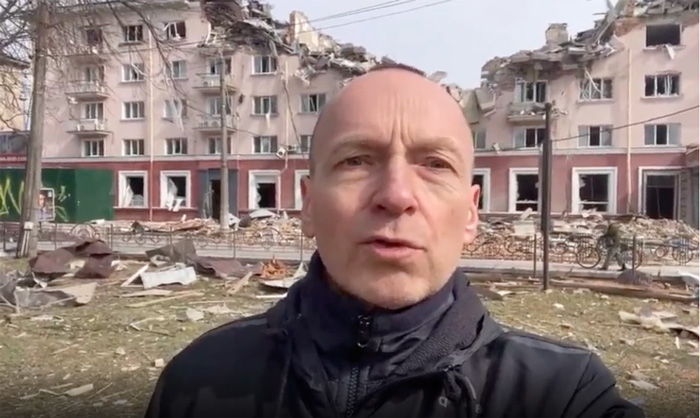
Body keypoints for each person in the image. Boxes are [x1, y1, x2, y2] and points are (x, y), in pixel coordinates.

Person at [145, 65, 643, 417]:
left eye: (434, 164)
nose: (397, 195)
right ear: (308, 205)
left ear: (470, 214)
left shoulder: (564, 395)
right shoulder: (201, 380)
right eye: (357, 160)